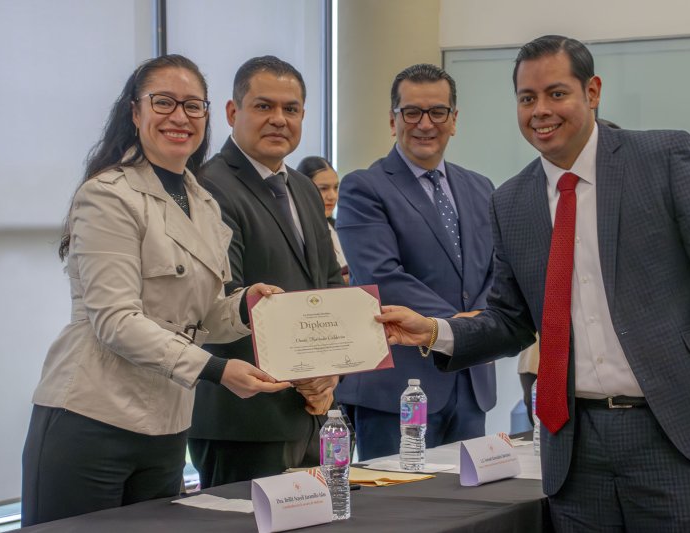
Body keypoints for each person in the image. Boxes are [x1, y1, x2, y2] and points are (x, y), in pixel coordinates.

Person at [377, 35, 690, 530]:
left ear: (592, 92)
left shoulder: (663, 159)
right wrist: (434, 331)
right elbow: (511, 320)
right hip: (575, 451)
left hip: (678, 438)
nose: (540, 111)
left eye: (556, 93)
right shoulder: (512, 201)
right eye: (527, 98)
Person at [21, 55, 291, 526]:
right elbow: (116, 321)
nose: (180, 117)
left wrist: (245, 306)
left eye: (192, 105)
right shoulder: (107, 194)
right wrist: (216, 370)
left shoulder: (203, 201)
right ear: (135, 112)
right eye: (163, 102)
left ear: (208, 116)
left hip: (167, 424)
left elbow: (201, 315)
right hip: (90, 418)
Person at [188, 56, 344, 487]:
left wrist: (329, 371)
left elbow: (329, 287)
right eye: (263, 106)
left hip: (311, 410)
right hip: (243, 418)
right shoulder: (207, 186)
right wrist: (305, 372)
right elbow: (226, 299)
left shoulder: (305, 189)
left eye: (290, 109)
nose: (279, 119)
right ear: (232, 112)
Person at [335, 63, 497, 460]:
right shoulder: (364, 188)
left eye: (437, 112)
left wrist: (477, 328)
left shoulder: (481, 188)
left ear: (454, 120)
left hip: (470, 384)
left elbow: (497, 272)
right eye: (411, 112)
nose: (425, 124)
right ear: (393, 121)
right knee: (399, 512)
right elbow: (381, 277)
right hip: (397, 389)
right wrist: (463, 327)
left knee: (472, 510)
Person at [297, 156, 348, 283]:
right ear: (302, 189)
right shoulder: (297, 232)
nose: (332, 196)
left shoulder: (339, 227)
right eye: (323, 189)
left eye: (336, 188)